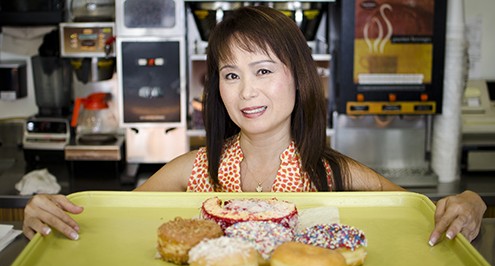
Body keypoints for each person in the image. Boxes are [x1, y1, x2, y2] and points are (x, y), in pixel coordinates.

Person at [23, 6, 486, 247]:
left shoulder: (337, 176)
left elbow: (422, 217)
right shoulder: (192, 170)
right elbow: (105, 220)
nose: (246, 92)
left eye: (263, 70)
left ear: (299, 78)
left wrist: (469, 202)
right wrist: (47, 212)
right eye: (230, 74)